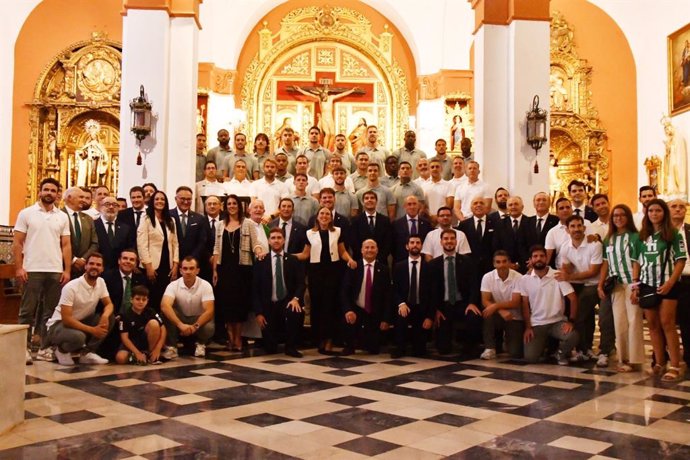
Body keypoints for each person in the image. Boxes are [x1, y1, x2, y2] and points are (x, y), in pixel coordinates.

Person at [14, 177, 71, 364]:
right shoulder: (27, 213)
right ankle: (22, 349)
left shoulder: (62, 216)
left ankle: (44, 348)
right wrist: (19, 267)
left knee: (50, 312)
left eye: (53, 190)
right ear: (40, 191)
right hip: (32, 268)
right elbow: (17, 242)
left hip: (54, 269)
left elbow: (66, 245)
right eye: (46, 189)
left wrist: (67, 269)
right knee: (27, 311)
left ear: (57, 194)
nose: (49, 193)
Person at [631, 199, 687, 381]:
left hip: (668, 284)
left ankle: (675, 365)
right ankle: (659, 363)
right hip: (647, 284)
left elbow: (680, 260)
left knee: (667, 323)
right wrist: (635, 285)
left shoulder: (673, 234)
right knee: (653, 325)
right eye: (651, 211)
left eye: (658, 211)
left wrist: (671, 282)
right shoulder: (641, 236)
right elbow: (636, 262)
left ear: (664, 213)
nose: (654, 214)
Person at [296, 206, 357, 355]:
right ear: (317, 217)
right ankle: (320, 339)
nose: (324, 216)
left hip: (333, 273)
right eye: (322, 213)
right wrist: (286, 256)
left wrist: (350, 260)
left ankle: (330, 340)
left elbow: (342, 251)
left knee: (330, 306)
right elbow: (305, 254)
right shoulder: (309, 233)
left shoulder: (337, 231)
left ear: (331, 217)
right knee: (317, 306)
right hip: (315, 273)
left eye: (327, 214)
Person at [212, 194, 265, 352]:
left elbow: (255, 243)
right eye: (229, 203)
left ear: (239, 206)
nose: (232, 206)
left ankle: (238, 338)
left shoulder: (247, 223)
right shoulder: (220, 225)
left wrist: (259, 251)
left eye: (234, 203)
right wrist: (215, 270)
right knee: (226, 305)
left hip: (242, 269)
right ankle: (230, 338)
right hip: (224, 269)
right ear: (225, 206)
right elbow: (216, 248)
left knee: (239, 305)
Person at [45, 253, 114, 365]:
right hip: (59, 325)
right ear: (85, 266)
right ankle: (61, 350)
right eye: (91, 263)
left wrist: (105, 316)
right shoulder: (71, 287)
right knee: (79, 337)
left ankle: (87, 353)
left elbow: (109, 304)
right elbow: (67, 319)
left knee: (110, 317)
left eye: (98, 264)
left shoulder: (101, 282)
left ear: (102, 268)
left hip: (80, 321)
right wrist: (93, 330)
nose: (94, 267)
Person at [598, 204, 644, 372]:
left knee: (634, 320)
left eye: (622, 215)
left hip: (631, 283)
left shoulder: (635, 237)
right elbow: (605, 263)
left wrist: (636, 285)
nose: (618, 218)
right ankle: (622, 358)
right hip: (615, 285)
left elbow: (637, 262)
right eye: (615, 215)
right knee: (619, 322)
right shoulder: (608, 238)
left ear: (628, 217)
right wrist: (600, 284)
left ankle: (635, 359)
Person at [555, 215, 603, 364]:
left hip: (593, 283)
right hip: (577, 283)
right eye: (573, 227)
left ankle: (583, 348)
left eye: (578, 226)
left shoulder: (594, 244)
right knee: (585, 316)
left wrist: (569, 277)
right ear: (568, 230)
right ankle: (584, 348)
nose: (576, 229)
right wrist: (567, 274)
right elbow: (566, 268)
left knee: (581, 311)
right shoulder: (565, 246)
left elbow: (593, 272)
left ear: (584, 227)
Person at [520, 245, 579, 365]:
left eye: (542, 256)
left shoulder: (557, 275)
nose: (538, 259)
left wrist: (571, 321)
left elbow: (573, 298)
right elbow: (525, 304)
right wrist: (528, 327)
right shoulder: (525, 279)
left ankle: (560, 354)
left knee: (573, 336)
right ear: (530, 260)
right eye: (535, 256)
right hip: (537, 323)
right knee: (530, 358)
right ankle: (545, 348)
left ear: (546, 258)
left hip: (557, 322)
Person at [253, 228, 306, 357]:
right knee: (270, 348)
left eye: (279, 238)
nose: (276, 241)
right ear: (269, 241)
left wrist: (296, 299)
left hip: (287, 302)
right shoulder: (261, 262)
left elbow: (301, 283)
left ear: (284, 240)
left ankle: (291, 347)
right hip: (269, 306)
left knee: (296, 311)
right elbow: (255, 289)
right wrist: (259, 313)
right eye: (273, 238)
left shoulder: (293, 260)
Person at [429, 229, 481, 356]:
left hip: (462, 304)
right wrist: (435, 309)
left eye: (452, 238)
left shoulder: (467, 262)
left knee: (474, 317)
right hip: (443, 306)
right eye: (446, 239)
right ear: (441, 242)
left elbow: (474, 284)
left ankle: (470, 346)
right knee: (443, 350)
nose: (449, 241)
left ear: (456, 241)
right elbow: (429, 290)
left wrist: (472, 303)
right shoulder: (433, 264)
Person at [341, 240, 391, 355]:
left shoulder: (384, 270)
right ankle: (349, 344)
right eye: (366, 247)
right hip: (356, 309)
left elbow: (388, 296)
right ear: (361, 250)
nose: (369, 250)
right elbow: (344, 292)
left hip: (374, 311)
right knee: (347, 320)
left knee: (373, 350)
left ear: (377, 250)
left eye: (372, 247)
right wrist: (348, 310)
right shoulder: (353, 267)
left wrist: (386, 319)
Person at [160, 257, 215, 359]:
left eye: (191, 268)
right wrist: (180, 325)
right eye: (185, 269)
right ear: (180, 271)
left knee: (209, 325)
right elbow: (164, 305)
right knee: (166, 313)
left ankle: (201, 344)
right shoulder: (173, 285)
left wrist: (194, 327)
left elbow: (209, 311)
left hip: (198, 320)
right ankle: (172, 347)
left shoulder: (205, 285)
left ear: (197, 270)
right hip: (181, 318)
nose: (188, 272)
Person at [136, 190, 179, 312]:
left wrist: (176, 265)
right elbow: (141, 244)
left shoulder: (171, 220)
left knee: (165, 298)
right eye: (157, 199)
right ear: (152, 202)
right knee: (152, 298)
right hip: (152, 266)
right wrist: (148, 266)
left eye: (163, 199)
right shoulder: (146, 218)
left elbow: (175, 244)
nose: (160, 201)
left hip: (168, 266)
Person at [391, 235, 433, 358]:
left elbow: (433, 293)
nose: (415, 245)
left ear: (421, 246)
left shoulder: (429, 267)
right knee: (400, 316)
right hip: (405, 305)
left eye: (418, 243)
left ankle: (418, 346)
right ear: (407, 246)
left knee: (420, 351)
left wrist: (429, 316)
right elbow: (394, 289)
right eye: (412, 242)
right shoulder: (399, 266)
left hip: (422, 308)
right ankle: (400, 347)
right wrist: (401, 303)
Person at [480, 250, 524, 360]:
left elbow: (516, 302)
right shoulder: (487, 277)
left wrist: (496, 306)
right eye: (498, 262)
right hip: (497, 315)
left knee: (515, 353)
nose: (501, 265)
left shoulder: (519, 277)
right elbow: (485, 300)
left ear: (509, 263)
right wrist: (499, 310)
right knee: (487, 312)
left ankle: (507, 340)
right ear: (494, 264)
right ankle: (489, 348)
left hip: (515, 317)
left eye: (504, 261)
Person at [290, 85, 360, 150]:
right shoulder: (319, 99)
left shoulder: (331, 98)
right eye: (322, 98)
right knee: (328, 134)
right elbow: (309, 94)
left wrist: (352, 90)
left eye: (325, 97)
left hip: (330, 118)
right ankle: (324, 149)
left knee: (332, 134)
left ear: (326, 95)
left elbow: (342, 94)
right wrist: (299, 90)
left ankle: (328, 150)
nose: (324, 99)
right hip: (324, 118)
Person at [115, 285, 166, 365]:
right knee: (120, 358)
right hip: (132, 342)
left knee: (154, 324)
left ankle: (151, 355)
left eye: (144, 299)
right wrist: (137, 353)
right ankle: (138, 357)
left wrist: (158, 348)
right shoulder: (125, 315)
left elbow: (163, 329)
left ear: (147, 301)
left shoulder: (151, 311)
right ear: (131, 300)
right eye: (138, 299)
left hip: (147, 341)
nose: (141, 302)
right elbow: (124, 338)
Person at [668, 198, 690, 369]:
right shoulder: (662, 232)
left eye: (681, 207)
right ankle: (661, 357)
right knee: (665, 322)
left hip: (687, 280)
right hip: (666, 280)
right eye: (674, 206)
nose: (677, 210)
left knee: (687, 321)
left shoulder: (689, 231)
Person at [62, 186, 99, 278]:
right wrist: (73, 260)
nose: (84, 200)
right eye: (81, 197)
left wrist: (83, 259)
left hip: (84, 269)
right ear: (69, 198)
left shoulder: (88, 219)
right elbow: (55, 242)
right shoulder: (59, 215)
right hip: (62, 268)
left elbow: (95, 243)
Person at [457, 198, 497, 277]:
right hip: (470, 266)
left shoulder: (495, 222)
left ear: (486, 207)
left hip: (490, 266)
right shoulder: (463, 225)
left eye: (481, 203)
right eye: (475, 203)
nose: (478, 205)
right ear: (471, 208)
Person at [172, 186, 208, 270]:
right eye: (182, 199)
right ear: (176, 199)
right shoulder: (168, 216)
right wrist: (176, 261)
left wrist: (190, 260)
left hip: (192, 264)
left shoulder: (199, 218)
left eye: (189, 199)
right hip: (172, 263)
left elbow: (201, 242)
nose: (185, 202)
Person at [94, 196, 135, 269]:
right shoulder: (92, 225)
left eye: (114, 205)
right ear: (100, 207)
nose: (111, 207)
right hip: (97, 268)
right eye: (107, 204)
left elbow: (129, 248)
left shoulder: (125, 228)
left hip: (118, 270)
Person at [495, 196, 533, 273]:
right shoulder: (499, 224)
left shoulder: (531, 223)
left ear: (522, 207)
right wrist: (508, 263)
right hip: (506, 266)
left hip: (527, 267)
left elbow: (533, 245)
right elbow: (496, 245)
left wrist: (532, 261)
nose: (513, 207)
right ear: (507, 207)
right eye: (510, 205)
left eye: (516, 204)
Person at [351, 190, 392, 262]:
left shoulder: (385, 220)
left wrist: (378, 259)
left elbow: (388, 243)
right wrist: (365, 259)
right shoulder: (355, 221)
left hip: (380, 262)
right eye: (366, 198)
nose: (369, 200)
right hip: (360, 261)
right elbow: (354, 243)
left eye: (372, 198)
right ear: (363, 202)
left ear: (376, 201)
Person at [392, 195, 432, 262]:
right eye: (409, 204)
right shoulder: (396, 224)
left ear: (418, 206)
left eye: (414, 204)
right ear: (405, 206)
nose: (412, 207)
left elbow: (428, 244)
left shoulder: (426, 224)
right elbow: (393, 245)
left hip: (421, 261)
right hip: (401, 261)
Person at [422, 159, 454, 225]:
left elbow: (450, 205)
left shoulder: (449, 185)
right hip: (428, 221)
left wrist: (439, 217)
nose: (435, 169)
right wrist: (431, 217)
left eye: (437, 167)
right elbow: (423, 205)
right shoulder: (423, 186)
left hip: (444, 221)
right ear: (429, 169)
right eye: (432, 167)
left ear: (441, 169)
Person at [545, 197, 575, 266]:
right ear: (556, 212)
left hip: (584, 271)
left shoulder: (584, 226)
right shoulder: (552, 232)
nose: (565, 210)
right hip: (561, 271)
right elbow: (547, 259)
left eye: (568, 207)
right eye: (561, 208)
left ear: (572, 210)